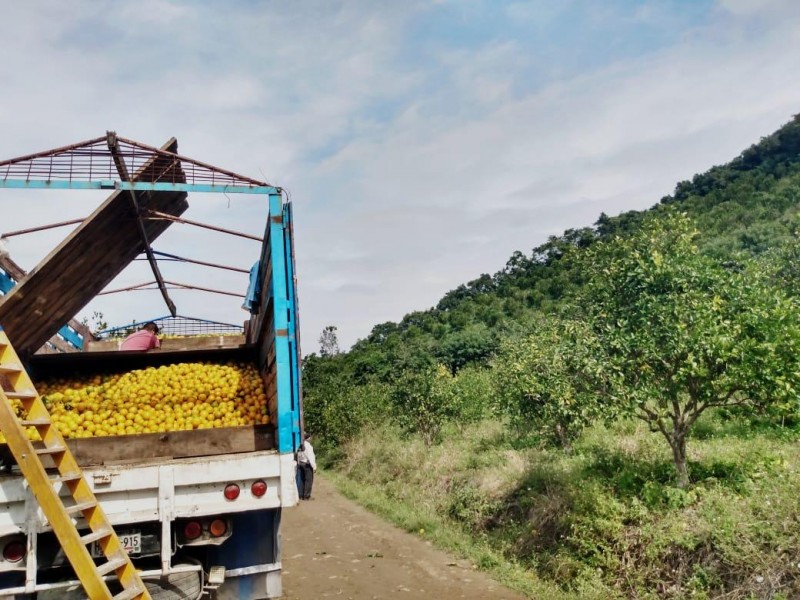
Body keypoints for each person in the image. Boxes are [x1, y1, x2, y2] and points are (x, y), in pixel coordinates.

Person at [296, 433, 317, 500]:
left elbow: (298, 455)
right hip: (307, 464)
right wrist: (314, 466)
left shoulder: (299, 446)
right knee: (308, 480)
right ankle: (307, 496)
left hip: (300, 464)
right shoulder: (308, 446)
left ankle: (300, 494)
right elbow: (311, 457)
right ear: (308, 438)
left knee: (302, 480)